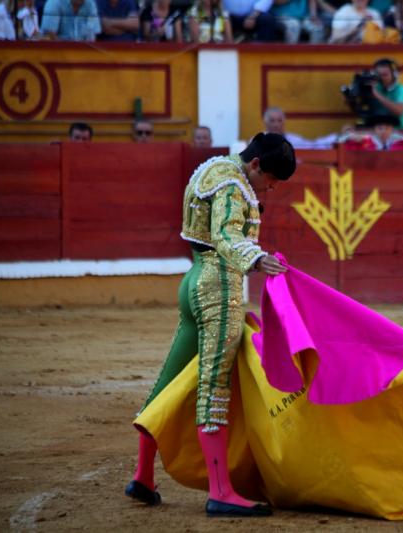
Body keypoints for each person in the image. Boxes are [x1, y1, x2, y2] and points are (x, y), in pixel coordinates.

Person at [125, 133, 296, 518]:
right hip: (219, 286)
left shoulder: (214, 168)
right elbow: (224, 234)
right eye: (271, 179)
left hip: (193, 281)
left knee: (168, 381)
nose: (271, 188)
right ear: (255, 165)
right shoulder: (235, 184)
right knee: (214, 385)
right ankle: (220, 491)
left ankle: (143, 476)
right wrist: (256, 258)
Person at [262, 106, 339, 149]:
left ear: (284, 122)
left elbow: (314, 146)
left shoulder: (294, 140)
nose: (276, 125)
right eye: (272, 121)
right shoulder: (257, 142)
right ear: (265, 123)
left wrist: (339, 138)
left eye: (279, 120)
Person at [369, 57, 403, 130]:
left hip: (399, 133)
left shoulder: (402, 90)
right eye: (379, 75)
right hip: (379, 134)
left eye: (385, 75)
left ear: (394, 74)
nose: (382, 78)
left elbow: (399, 111)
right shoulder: (376, 88)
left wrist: (377, 95)